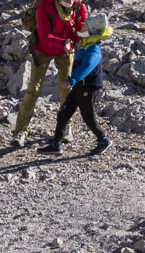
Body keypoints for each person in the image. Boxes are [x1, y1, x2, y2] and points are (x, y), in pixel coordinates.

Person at [12, 0, 87, 148]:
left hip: (65, 50)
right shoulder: (44, 7)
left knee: (67, 89)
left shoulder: (77, 4)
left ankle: (66, 128)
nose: (71, 1)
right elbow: (45, 36)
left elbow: (80, 27)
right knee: (33, 90)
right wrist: (64, 43)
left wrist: (82, 37)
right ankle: (20, 131)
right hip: (42, 50)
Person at [47, 10, 113, 155]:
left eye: (85, 27)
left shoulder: (94, 50)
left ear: (92, 32)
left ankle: (104, 139)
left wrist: (72, 79)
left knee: (88, 118)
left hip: (87, 89)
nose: (81, 28)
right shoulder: (86, 47)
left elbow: (86, 67)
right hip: (79, 87)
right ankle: (56, 143)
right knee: (64, 113)